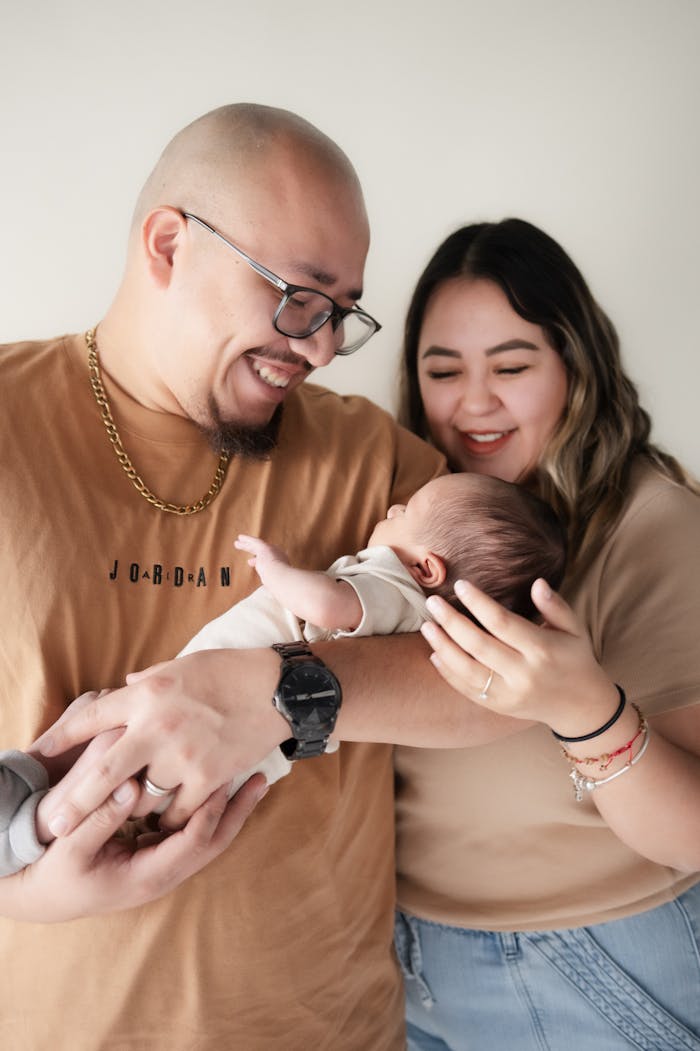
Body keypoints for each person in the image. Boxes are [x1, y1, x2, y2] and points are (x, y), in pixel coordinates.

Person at [0, 103, 526, 1050]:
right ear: (169, 244)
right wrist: (30, 897)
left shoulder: (379, 467)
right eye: (300, 297)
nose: (322, 348)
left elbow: (507, 686)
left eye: (343, 315)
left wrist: (279, 693)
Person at [393, 218, 700, 1050]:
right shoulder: (413, 528)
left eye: (513, 365)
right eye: (443, 370)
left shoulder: (652, 526)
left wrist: (586, 708)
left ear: (576, 365)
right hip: (409, 968)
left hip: (591, 959)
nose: (474, 402)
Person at [0, 471, 567, 874]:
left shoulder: (392, 587)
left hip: (225, 732)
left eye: (406, 512)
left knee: (106, 765)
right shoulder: (413, 617)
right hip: (248, 750)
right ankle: (28, 812)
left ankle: (27, 832)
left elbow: (328, 606)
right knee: (110, 765)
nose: (390, 511)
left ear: (427, 566)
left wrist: (276, 570)